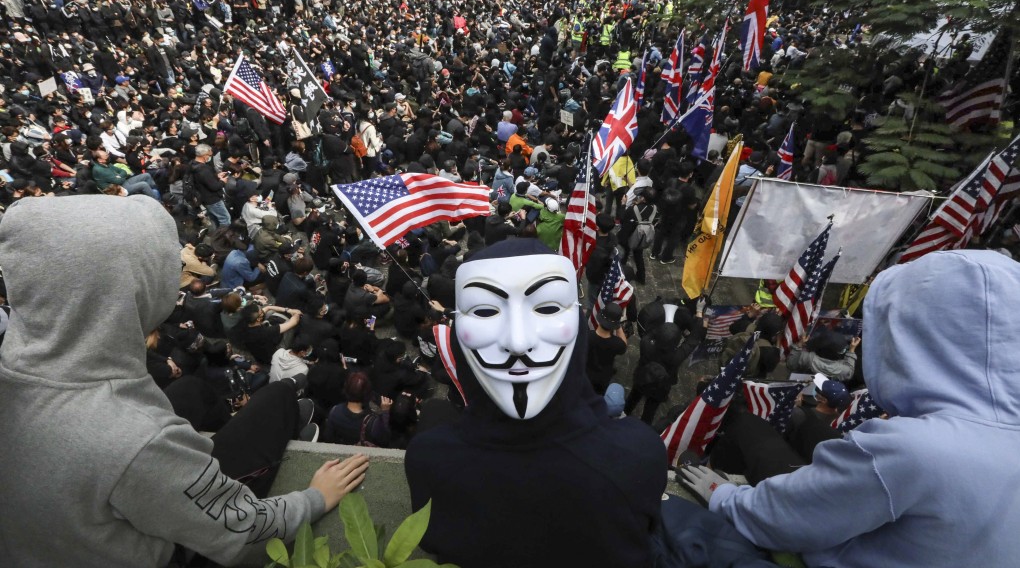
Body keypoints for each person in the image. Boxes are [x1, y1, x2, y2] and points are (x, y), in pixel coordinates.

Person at [0, 195, 369, 567]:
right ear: (139, 289)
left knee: (192, 390)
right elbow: (243, 530)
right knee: (279, 397)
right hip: (167, 551)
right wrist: (315, 498)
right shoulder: (135, 437)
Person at [681, 250, 1020, 567]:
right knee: (800, 428)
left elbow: (785, 519)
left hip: (814, 538)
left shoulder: (916, 451)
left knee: (751, 427)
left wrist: (723, 496)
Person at [406, 239, 666, 568]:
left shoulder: (430, 459)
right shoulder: (638, 454)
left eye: (547, 308)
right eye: (485, 311)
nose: (518, 341)